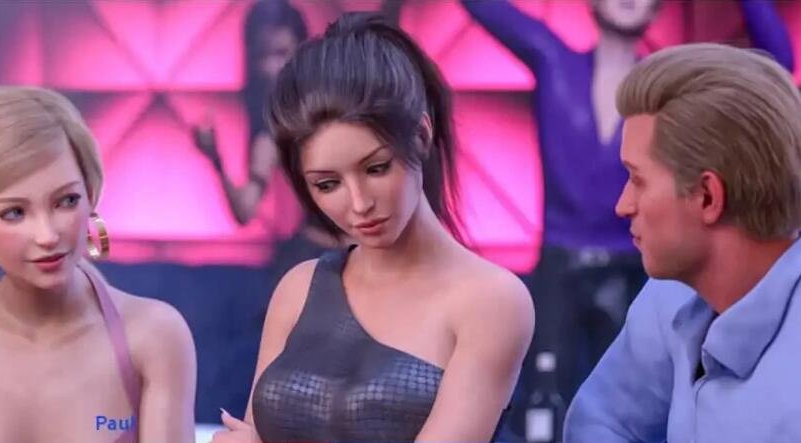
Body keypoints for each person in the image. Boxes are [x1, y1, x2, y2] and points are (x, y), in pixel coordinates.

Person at [211, 12, 534, 443]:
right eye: (327, 184)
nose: (359, 203)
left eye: (376, 168)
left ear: (420, 136)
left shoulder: (491, 301)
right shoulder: (298, 288)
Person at [462, 0, 796, 409]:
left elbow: (774, 63)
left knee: (636, 408)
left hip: (637, 270)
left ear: (656, 10)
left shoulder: (669, 95)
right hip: (558, 270)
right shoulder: (554, 60)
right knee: (543, 403)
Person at [564, 42, 801, 442]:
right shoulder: (672, 291)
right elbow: (602, 421)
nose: (622, 205)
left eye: (637, 180)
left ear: (707, 197)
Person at [0, 86, 197, 443]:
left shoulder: (154, 337)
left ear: (91, 194)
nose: (47, 235)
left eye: (66, 201)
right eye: (15, 212)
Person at [191, 0, 340, 282]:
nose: (272, 67)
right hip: (315, 259)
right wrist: (216, 160)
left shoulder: (339, 106)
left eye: (282, 53)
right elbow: (245, 211)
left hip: (365, 251)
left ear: (301, 52)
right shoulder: (271, 135)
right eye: (263, 56)